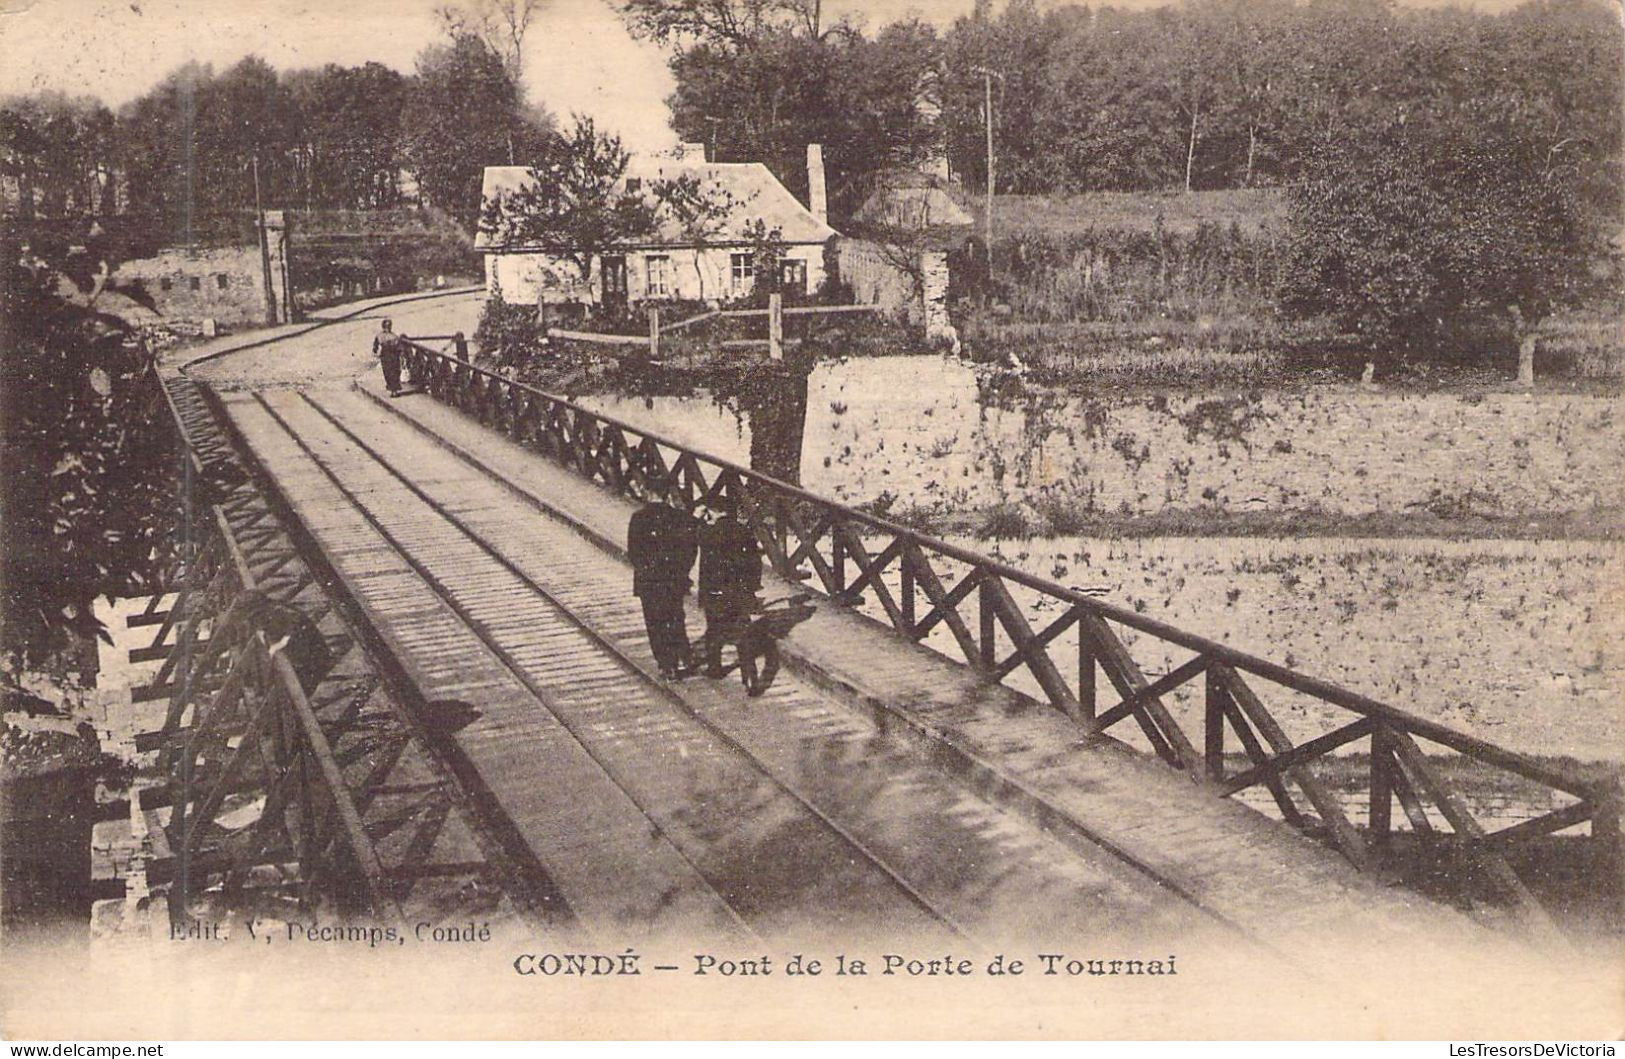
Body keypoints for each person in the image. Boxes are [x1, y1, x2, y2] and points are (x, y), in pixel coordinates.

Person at [626, 478, 699, 679]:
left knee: (655, 622)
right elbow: (691, 550)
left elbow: (633, 552)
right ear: (667, 495)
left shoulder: (638, 518)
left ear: (648, 492)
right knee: (675, 616)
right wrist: (682, 572)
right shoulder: (679, 518)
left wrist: (646, 570)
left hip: (649, 581)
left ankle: (667, 664)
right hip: (673, 579)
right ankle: (684, 655)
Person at [697, 498, 762, 679]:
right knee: (743, 634)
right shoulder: (744, 532)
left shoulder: (708, 533)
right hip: (739, 591)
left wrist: (700, 517)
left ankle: (715, 669)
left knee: (714, 631)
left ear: (714, 512)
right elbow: (755, 563)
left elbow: (690, 534)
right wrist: (751, 588)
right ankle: (750, 676)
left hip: (715, 592)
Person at [373, 317, 404, 395]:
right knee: (390, 372)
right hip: (390, 355)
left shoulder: (382, 336)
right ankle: (393, 390)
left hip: (389, 355)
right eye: (387, 326)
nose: (388, 328)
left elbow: (375, 346)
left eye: (389, 326)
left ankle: (393, 390)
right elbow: (375, 345)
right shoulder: (393, 337)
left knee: (392, 372)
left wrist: (375, 350)